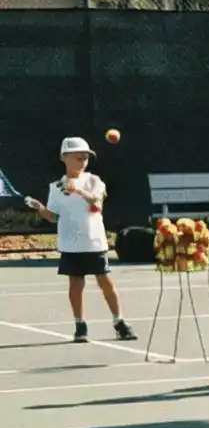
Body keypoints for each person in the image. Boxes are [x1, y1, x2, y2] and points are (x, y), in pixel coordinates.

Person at [47, 137, 131, 342]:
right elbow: (53, 216)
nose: (83, 162)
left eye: (85, 158)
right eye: (78, 158)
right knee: (75, 285)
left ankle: (119, 322)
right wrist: (41, 210)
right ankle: (80, 325)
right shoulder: (55, 187)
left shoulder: (94, 181)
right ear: (64, 158)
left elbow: (97, 202)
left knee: (105, 282)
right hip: (70, 244)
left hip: (94, 241)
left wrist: (78, 190)